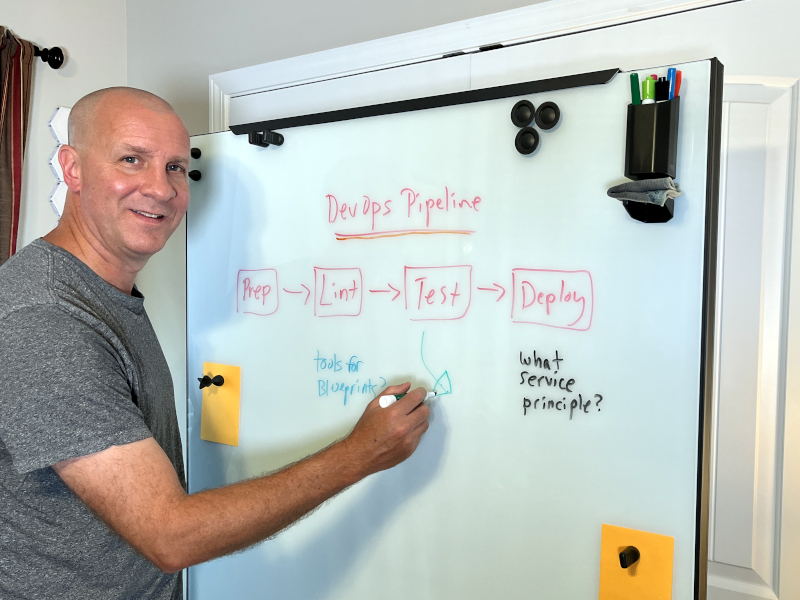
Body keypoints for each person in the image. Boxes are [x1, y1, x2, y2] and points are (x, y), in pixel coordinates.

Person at [0, 87, 431, 600]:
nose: (160, 189)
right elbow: (169, 535)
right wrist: (359, 455)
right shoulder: (46, 319)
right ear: (72, 168)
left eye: (176, 167)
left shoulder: (101, 292)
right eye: (132, 159)